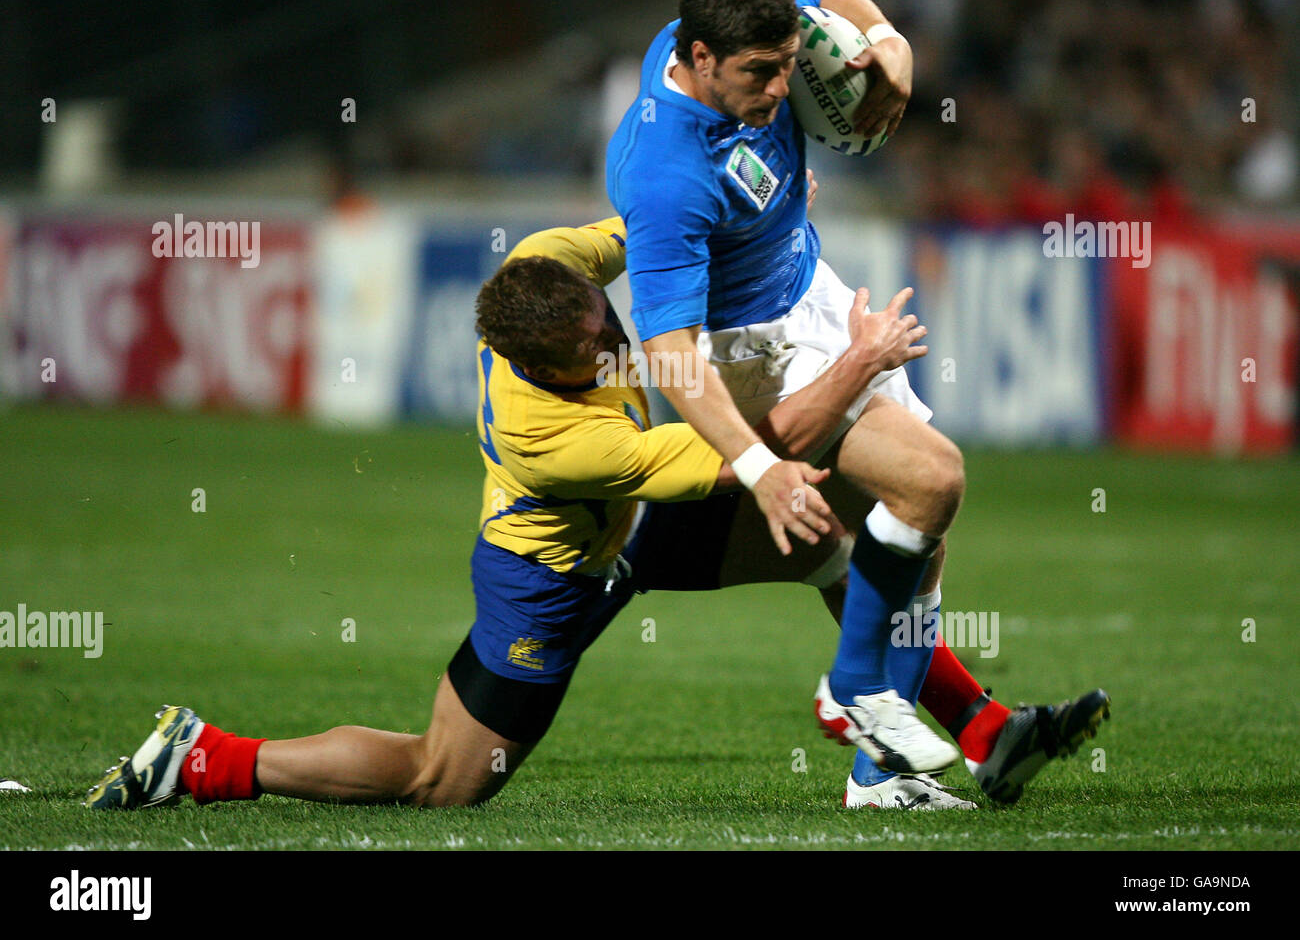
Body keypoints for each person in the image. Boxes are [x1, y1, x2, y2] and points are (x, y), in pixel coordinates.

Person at [85, 218, 1105, 813]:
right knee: (447, 778)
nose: (617, 340)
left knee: (843, 534)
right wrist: (860, 361)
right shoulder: (555, 436)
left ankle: (960, 727)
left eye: (605, 316)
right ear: (547, 371)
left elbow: (655, 231)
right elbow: (755, 449)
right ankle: (214, 755)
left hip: (635, 526)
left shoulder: (550, 272)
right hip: (554, 576)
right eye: (596, 348)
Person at [606, 0, 1108, 805]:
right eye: (757, 76)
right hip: (748, 350)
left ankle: (925, 754)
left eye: (786, 67)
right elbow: (674, 356)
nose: (777, 91)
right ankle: (858, 692)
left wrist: (887, 42)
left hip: (812, 289)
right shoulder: (664, 173)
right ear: (696, 60)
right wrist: (761, 469)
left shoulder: (746, 15)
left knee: (916, 534)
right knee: (930, 480)